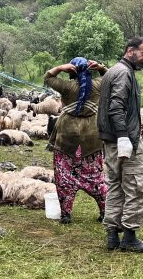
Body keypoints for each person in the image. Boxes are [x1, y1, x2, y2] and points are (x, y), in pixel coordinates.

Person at [97, 37, 143, 252]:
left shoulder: (113, 71)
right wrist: (123, 136)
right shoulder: (124, 73)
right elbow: (116, 107)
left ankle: (112, 235)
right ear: (130, 51)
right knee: (137, 187)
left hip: (110, 141)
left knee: (115, 186)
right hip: (125, 141)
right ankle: (129, 237)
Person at [45, 57, 109, 225]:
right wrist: (100, 67)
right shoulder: (97, 85)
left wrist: (60, 67)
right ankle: (105, 211)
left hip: (67, 138)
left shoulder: (66, 87)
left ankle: (66, 214)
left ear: (71, 71)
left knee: (64, 176)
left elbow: (48, 77)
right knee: (95, 177)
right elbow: (110, 77)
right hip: (91, 138)